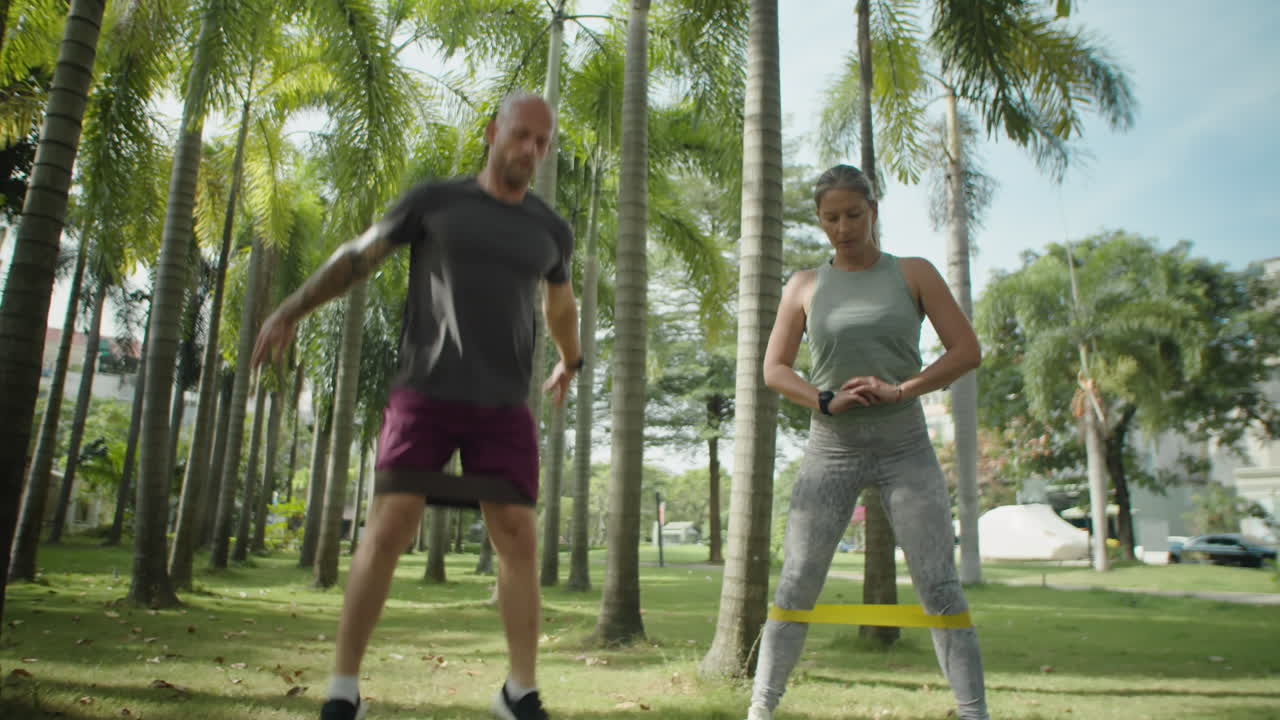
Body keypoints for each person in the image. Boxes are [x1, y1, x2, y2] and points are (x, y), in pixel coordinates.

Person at [252, 91, 579, 720]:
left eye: (542, 142)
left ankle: (519, 691)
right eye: (520, 136)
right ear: (492, 132)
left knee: (517, 537)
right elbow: (358, 256)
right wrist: (293, 307)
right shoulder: (436, 201)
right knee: (390, 525)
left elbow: (559, 304)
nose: (530, 151)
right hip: (424, 393)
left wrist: (572, 358)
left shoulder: (550, 227)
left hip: (504, 402)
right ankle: (343, 689)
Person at [745, 164, 989, 720]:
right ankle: (760, 711)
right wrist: (824, 400)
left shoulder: (914, 273)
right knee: (798, 582)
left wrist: (902, 388)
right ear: (819, 219)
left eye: (853, 215)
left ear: (873, 211)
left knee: (939, 587)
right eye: (830, 217)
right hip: (831, 450)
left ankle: (975, 714)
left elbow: (965, 351)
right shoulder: (804, 285)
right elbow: (774, 369)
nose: (843, 227)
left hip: (905, 449)